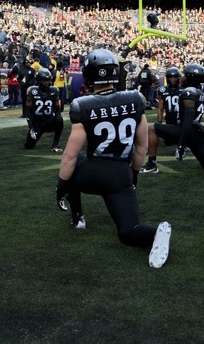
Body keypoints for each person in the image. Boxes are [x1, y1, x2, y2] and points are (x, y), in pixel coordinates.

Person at [54, 49, 172, 268]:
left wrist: (62, 186)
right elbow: (141, 146)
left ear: (89, 75)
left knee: (74, 164)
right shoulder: (135, 98)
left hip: (93, 172)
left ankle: (78, 216)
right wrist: (133, 175)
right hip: (120, 175)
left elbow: (70, 156)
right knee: (128, 232)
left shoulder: (83, 105)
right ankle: (156, 233)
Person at [141, 63, 204, 174]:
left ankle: (151, 164)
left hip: (188, 132)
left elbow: (187, 120)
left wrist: (181, 144)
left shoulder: (189, 92)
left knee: (151, 128)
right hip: (196, 133)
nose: (183, 77)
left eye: (186, 75)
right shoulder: (198, 92)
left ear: (191, 78)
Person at [24, 68, 64, 153]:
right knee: (28, 146)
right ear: (38, 80)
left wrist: (57, 126)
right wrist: (31, 127)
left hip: (48, 122)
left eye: (48, 80)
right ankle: (34, 136)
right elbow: (28, 111)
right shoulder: (32, 90)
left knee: (59, 119)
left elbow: (57, 109)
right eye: (44, 80)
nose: (46, 82)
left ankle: (55, 145)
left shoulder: (54, 90)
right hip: (37, 123)